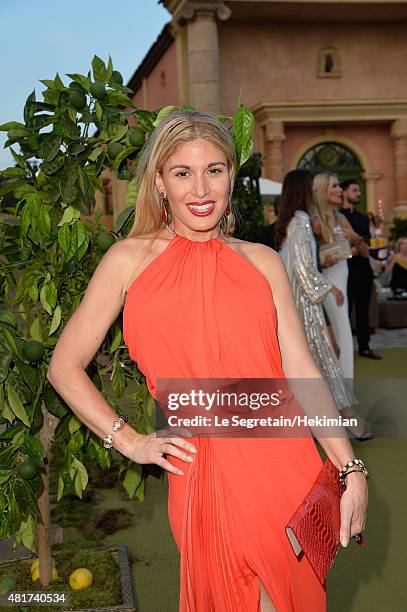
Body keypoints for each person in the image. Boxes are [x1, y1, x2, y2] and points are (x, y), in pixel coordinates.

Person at [47, 112, 368, 612]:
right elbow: (64, 366)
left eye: (214, 170)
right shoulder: (128, 262)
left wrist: (350, 467)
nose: (201, 188)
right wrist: (130, 441)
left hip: (284, 466)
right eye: (182, 173)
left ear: (230, 176)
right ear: (159, 182)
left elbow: (301, 370)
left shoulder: (262, 261)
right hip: (201, 471)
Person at [277, 169, 373, 440]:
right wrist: (326, 288)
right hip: (307, 307)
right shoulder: (302, 222)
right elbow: (305, 270)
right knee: (325, 362)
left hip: (298, 303)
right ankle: (347, 421)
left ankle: (335, 422)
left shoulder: (292, 223)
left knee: (314, 364)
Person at [312, 173, 366, 380]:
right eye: (335, 186)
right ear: (324, 190)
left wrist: (357, 241)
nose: (340, 190)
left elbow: (361, 250)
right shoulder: (314, 221)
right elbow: (310, 261)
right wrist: (326, 260)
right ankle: (342, 399)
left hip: (342, 280)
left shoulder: (340, 218)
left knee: (343, 337)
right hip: (328, 284)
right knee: (341, 336)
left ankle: (344, 397)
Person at [340, 179, 382, 360]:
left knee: (363, 312)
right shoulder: (337, 217)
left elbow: (365, 244)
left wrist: (357, 247)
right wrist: (356, 248)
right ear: (344, 193)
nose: (359, 193)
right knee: (345, 313)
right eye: (355, 190)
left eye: (359, 190)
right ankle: (345, 349)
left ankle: (364, 347)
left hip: (364, 272)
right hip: (345, 272)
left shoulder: (363, 218)